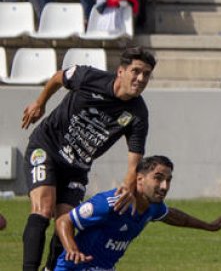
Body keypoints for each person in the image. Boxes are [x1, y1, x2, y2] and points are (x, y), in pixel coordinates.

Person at [19, 47, 156, 271]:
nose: (141, 79)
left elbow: (135, 158)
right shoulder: (89, 77)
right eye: (136, 71)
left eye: (146, 74)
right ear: (121, 71)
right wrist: (40, 103)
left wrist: (129, 184)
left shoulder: (138, 113)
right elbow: (57, 77)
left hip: (78, 167)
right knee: (43, 209)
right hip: (47, 147)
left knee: (66, 223)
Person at [54, 155, 221, 270]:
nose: (165, 187)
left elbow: (178, 218)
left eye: (168, 180)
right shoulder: (110, 203)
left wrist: (210, 226)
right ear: (139, 179)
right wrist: (72, 249)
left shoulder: (153, 206)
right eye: (158, 178)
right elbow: (64, 221)